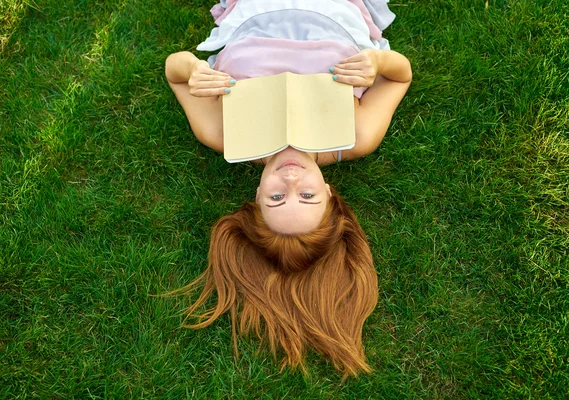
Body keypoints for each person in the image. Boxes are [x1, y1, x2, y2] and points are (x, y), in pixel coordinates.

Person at [165, 0, 412, 377]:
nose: (292, 180)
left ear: (257, 198)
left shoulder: (224, 133)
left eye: (277, 198)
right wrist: (378, 64)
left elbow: (173, 70)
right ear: (330, 193)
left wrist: (195, 70)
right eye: (308, 196)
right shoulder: (355, 136)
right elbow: (401, 76)